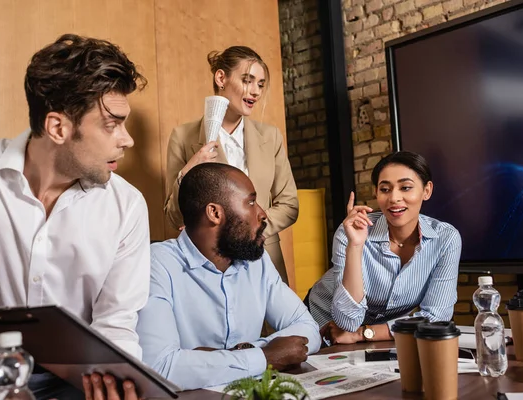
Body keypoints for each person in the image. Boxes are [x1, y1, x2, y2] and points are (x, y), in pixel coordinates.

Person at [0, 34, 149, 399]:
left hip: (79, 384)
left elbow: (117, 323)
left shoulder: (128, 206)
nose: (127, 139)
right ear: (58, 128)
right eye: (111, 124)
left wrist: (117, 383)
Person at [137, 163, 321, 390]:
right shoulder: (156, 264)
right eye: (251, 203)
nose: (263, 214)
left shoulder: (257, 261)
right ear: (214, 213)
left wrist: (241, 353)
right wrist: (266, 357)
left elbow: (308, 329)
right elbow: (160, 368)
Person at [164, 46, 298, 285]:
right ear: (221, 78)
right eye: (248, 80)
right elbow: (174, 216)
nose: (255, 91)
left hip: (264, 257)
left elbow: (289, 205)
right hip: (210, 263)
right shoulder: (183, 137)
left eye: (260, 84)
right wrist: (188, 170)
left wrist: (247, 232)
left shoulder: (271, 137)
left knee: (277, 323)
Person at [307, 151, 462, 344]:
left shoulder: (446, 239)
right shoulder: (351, 231)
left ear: (427, 190)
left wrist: (363, 334)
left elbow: (436, 317)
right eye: (385, 189)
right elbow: (346, 322)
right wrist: (355, 246)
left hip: (374, 334)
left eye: (405, 187)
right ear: (376, 193)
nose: (394, 198)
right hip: (325, 321)